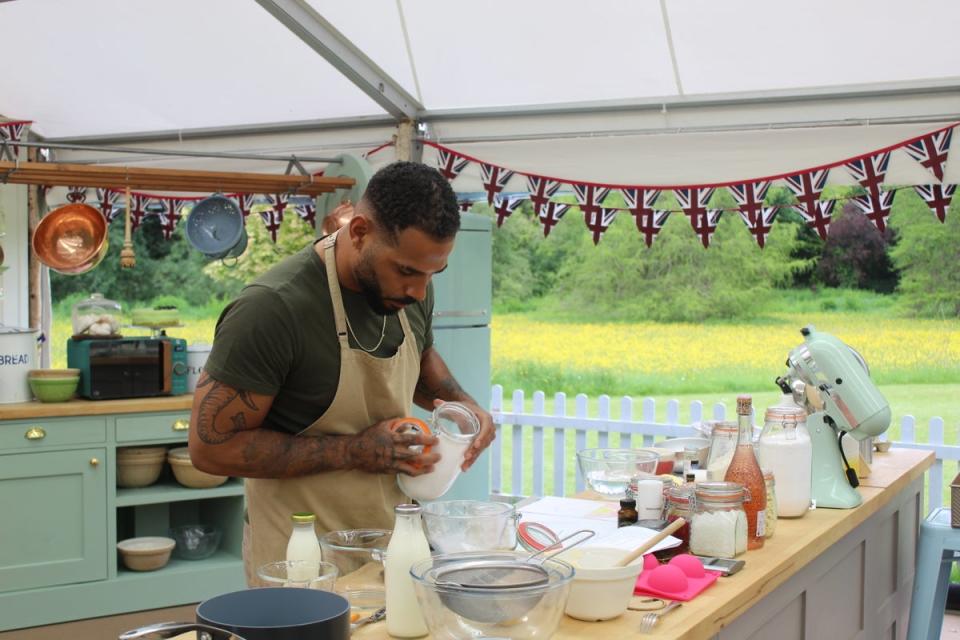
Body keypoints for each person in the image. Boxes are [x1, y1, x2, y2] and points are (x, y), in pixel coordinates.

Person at [188, 161, 495, 582]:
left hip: (392, 549)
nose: (419, 291)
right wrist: (354, 451)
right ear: (359, 232)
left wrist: (466, 406)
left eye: (432, 274)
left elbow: (420, 357)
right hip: (300, 558)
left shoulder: (411, 287)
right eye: (406, 270)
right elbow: (210, 449)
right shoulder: (273, 309)